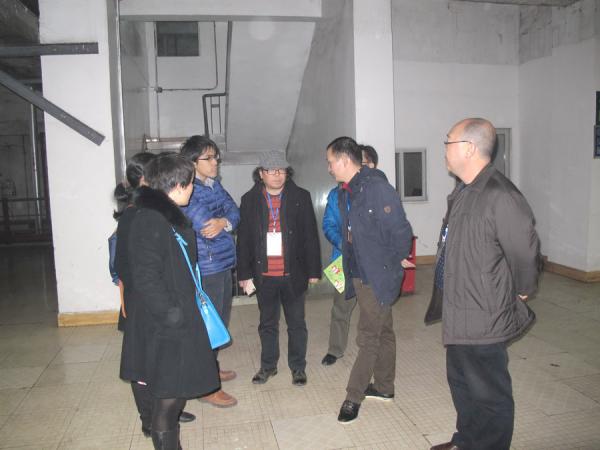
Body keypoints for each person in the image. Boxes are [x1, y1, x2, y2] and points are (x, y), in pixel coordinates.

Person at [427, 118, 541, 450]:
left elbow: (525, 250)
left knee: (489, 394)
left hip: (484, 314)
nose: (444, 149)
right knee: (462, 384)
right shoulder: (464, 190)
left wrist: (522, 289)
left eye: (448, 142)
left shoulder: (500, 194)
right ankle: (467, 441)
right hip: (459, 309)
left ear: (468, 148)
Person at [115, 153, 219, 450]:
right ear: (177, 185)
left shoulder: (164, 215)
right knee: (167, 402)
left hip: (174, 317)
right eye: (190, 184)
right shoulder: (151, 219)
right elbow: (145, 277)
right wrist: (172, 314)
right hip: (166, 324)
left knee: (171, 397)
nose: (192, 189)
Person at [325, 137, 413, 424]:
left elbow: (400, 231)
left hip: (376, 275)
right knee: (383, 331)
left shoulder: (376, 188)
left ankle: (353, 396)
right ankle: (385, 387)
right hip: (359, 273)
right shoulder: (347, 191)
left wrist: (392, 263)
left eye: (330, 162)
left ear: (344, 161)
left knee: (368, 336)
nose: (329, 168)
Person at [236, 150, 321, 386]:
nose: (277, 175)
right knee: (267, 324)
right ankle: (268, 366)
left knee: (296, 324)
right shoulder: (249, 200)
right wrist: (244, 274)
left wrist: (314, 271)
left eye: (281, 170)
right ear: (261, 174)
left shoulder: (301, 196)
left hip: (293, 273)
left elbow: (310, 236)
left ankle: (298, 367)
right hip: (264, 275)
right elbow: (243, 240)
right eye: (271, 170)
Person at [180, 135, 239, 408]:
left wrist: (224, 221)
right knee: (208, 326)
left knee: (220, 321)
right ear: (193, 162)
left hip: (223, 262)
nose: (215, 162)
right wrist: (223, 222)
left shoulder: (214, 185)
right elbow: (205, 226)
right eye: (209, 158)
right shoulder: (188, 189)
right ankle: (206, 387)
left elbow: (234, 211)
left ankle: (211, 368)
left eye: (216, 157)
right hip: (207, 265)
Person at [321, 144, 379, 366]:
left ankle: (371, 349)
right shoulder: (336, 195)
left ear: (372, 166)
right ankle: (335, 349)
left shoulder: (379, 194)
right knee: (340, 307)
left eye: (362, 164)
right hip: (342, 258)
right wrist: (344, 244)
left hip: (370, 262)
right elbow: (328, 225)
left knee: (371, 310)